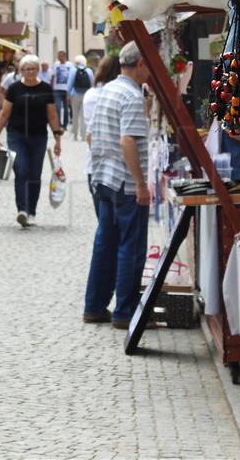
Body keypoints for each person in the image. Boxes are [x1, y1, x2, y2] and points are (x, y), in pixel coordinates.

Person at [83, 41, 150, 328]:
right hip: (123, 182)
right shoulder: (132, 96)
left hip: (102, 177)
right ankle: (125, 312)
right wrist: (140, 184)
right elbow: (127, 141)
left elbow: (90, 137)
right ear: (139, 65)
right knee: (129, 247)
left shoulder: (107, 90)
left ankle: (94, 306)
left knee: (105, 244)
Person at [0, 54, 62, 228]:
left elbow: (52, 115)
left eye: (33, 68)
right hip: (16, 135)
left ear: (38, 70)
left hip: (38, 136)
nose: (30, 72)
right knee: (21, 169)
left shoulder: (46, 88)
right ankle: (22, 210)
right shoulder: (14, 89)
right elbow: (4, 113)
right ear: (21, 71)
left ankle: (31, 211)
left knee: (35, 174)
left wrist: (57, 138)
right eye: (26, 69)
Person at [83, 56, 120, 216]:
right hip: (116, 167)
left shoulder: (90, 94)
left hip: (95, 164)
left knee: (104, 220)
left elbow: (89, 135)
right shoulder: (116, 95)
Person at [67, 54, 94, 141]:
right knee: (83, 115)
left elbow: (70, 83)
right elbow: (92, 83)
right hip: (86, 95)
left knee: (75, 115)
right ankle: (83, 135)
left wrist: (68, 94)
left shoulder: (73, 70)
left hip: (75, 95)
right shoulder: (89, 71)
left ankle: (75, 134)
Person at [51, 50, 71, 130]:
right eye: (58, 56)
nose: (59, 58)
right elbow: (52, 76)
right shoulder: (55, 65)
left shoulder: (70, 65)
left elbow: (71, 78)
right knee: (58, 107)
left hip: (67, 90)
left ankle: (65, 125)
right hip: (57, 89)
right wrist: (51, 87)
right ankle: (59, 124)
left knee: (66, 108)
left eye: (60, 56)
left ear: (64, 56)